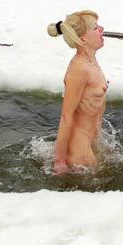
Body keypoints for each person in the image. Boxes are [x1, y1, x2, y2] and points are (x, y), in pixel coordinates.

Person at [47, 10, 108, 174]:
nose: (102, 29)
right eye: (96, 28)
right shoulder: (79, 69)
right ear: (82, 39)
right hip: (80, 153)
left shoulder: (90, 60)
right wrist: (59, 161)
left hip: (91, 144)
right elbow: (66, 116)